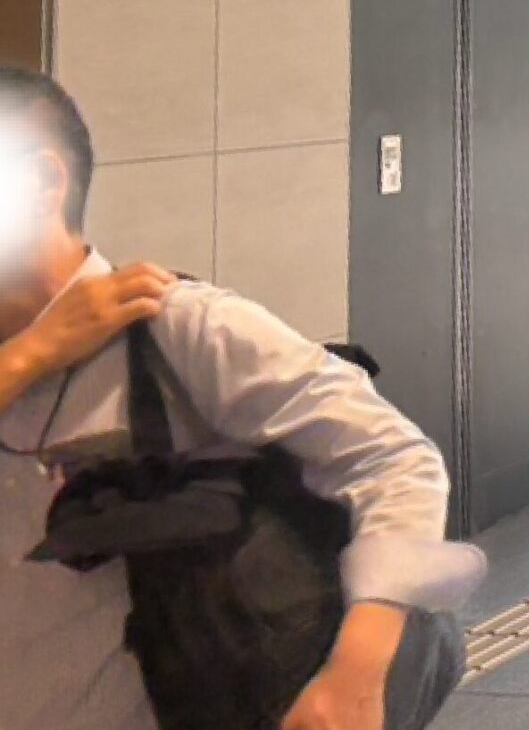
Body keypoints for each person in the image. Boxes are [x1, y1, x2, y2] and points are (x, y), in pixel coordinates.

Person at [1, 66, 481, 730]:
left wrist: (358, 670)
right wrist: (29, 355)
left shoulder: (175, 329)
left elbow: (393, 458)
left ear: (38, 185)